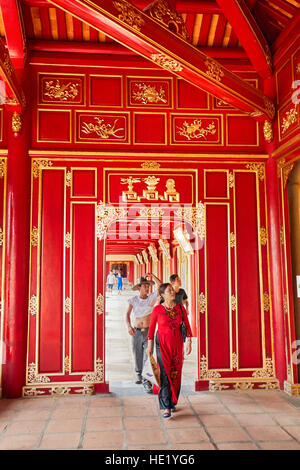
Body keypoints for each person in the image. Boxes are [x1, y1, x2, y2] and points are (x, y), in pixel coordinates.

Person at [146, 283, 192, 418]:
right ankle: (165, 406)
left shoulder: (180, 308)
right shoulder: (158, 310)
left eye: (172, 290)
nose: (172, 292)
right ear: (162, 295)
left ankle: (172, 401)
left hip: (177, 345)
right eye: (169, 290)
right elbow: (151, 328)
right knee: (165, 374)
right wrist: (150, 346)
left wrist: (189, 341)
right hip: (162, 345)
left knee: (175, 374)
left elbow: (187, 325)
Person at [126, 273, 162, 393]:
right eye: (145, 286)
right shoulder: (134, 300)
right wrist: (129, 326)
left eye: (148, 286)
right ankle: (138, 374)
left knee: (149, 355)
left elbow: (160, 286)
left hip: (148, 332)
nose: (147, 288)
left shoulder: (152, 298)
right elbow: (127, 314)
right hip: (136, 332)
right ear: (139, 287)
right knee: (137, 354)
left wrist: (152, 275)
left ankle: (147, 381)